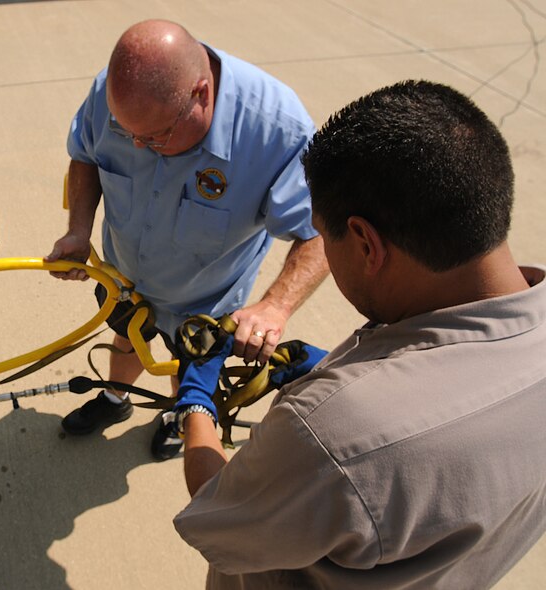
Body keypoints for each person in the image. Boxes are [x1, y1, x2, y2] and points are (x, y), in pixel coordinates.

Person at [172, 80, 546, 588]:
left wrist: (196, 403)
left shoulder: (331, 434)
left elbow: (218, 508)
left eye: (325, 239)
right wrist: (347, 370)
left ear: (367, 244)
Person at [45, 19, 329, 460]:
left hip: (205, 301)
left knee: (188, 372)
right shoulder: (115, 95)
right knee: (127, 339)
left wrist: (275, 306)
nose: (137, 144)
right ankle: (117, 398)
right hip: (124, 278)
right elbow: (84, 154)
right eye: (128, 133)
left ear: (201, 93)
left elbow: (321, 233)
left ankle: (180, 415)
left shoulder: (277, 130)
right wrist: (78, 230)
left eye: (155, 136)